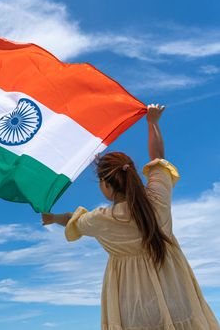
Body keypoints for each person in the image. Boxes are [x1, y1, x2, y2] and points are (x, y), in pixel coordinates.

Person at [41, 104, 220, 330]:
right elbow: (158, 158)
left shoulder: (101, 219)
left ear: (106, 184)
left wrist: (53, 218)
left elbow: (72, 219)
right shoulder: (157, 200)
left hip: (133, 309)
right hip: (176, 297)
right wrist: (153, 122)